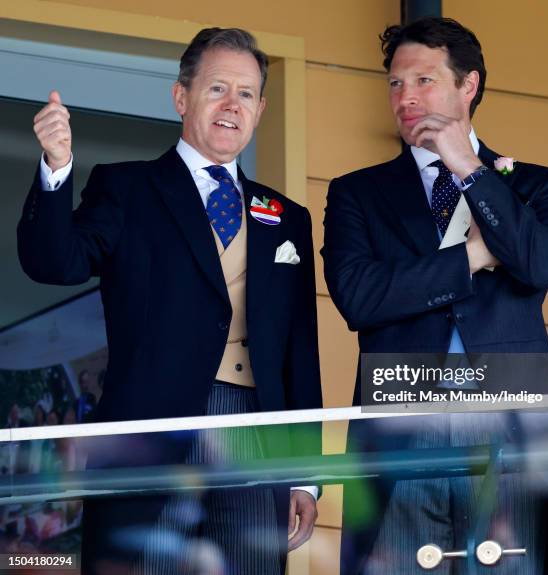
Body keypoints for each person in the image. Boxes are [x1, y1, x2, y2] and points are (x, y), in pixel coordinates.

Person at [18, 27, 321, 574]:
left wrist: (305, 473)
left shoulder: (288, 218)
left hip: (254, 430)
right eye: (217, 89)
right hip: (151, 430)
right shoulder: (127, 188)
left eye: (246, 94)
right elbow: (55, 262)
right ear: (182, 97)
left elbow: (301, 352)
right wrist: (56, 167)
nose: (233, 105)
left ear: (261, 108)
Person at [321, 17, 548, 575]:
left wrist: (466, 164)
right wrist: (471, 258)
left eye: (423, 81)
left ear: (469, 86)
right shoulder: (356, 193)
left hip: (509, 428)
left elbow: (540, 263)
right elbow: (359, 298)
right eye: (395, 83)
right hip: (403, 429)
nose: (405, 96)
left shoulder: (535, 185)